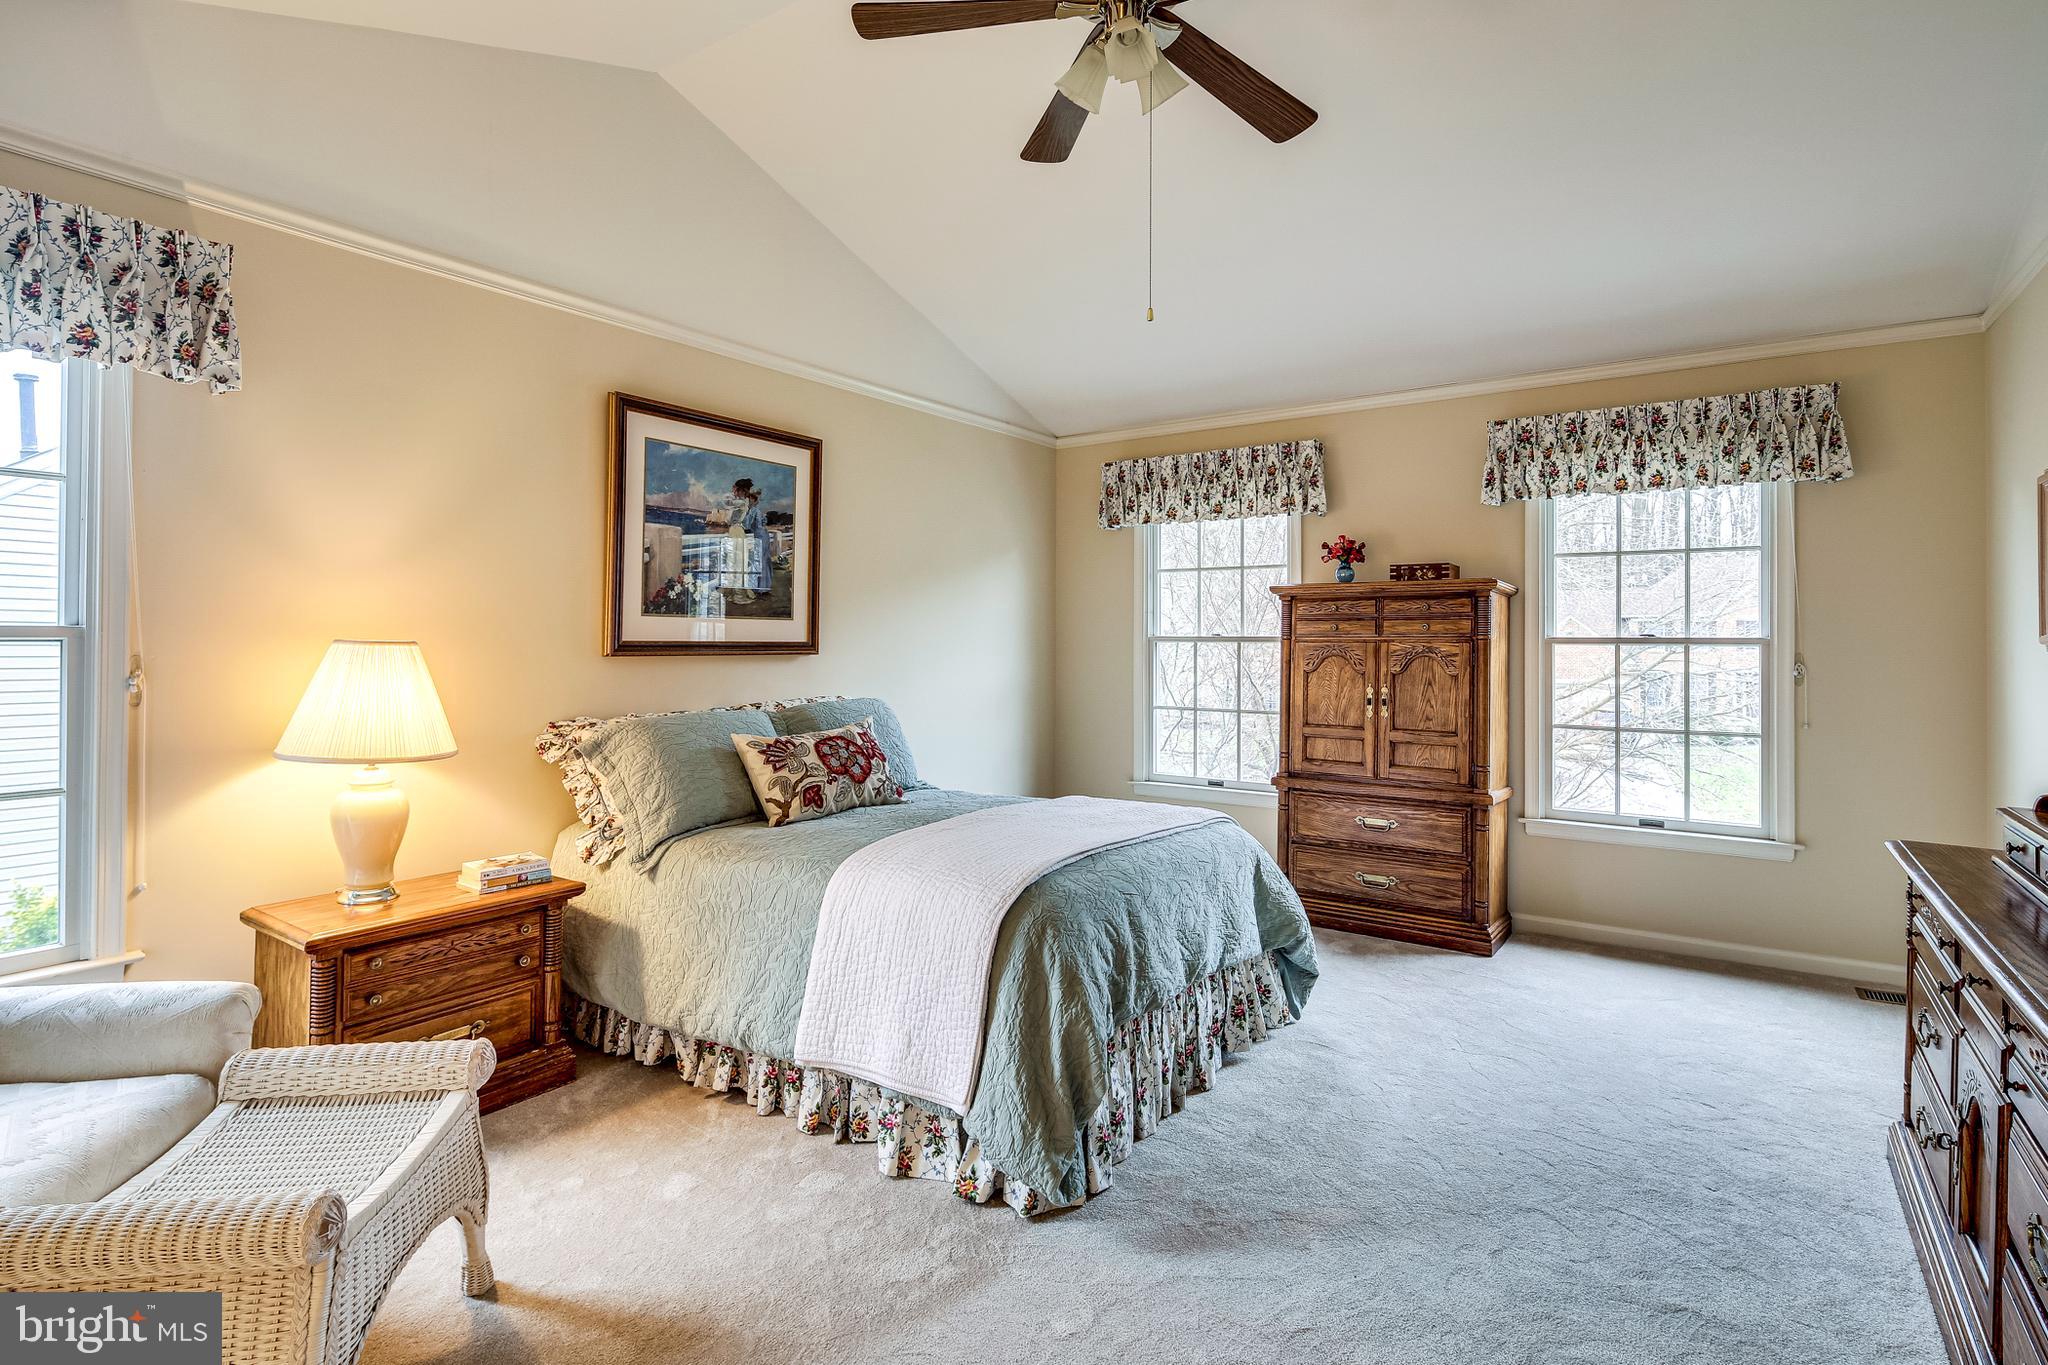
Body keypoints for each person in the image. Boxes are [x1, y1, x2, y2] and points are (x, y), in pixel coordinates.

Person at [726, 478, 771, 602]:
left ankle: (739, 591)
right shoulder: (743, 503)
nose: (732, 490)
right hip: (737, 532)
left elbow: (728, 519)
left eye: (734, 488)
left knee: (737, 562)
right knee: (737, 561)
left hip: (736, 531)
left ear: (739, 489)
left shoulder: (741, 503)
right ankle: (738, 589)